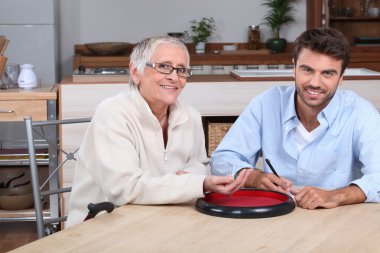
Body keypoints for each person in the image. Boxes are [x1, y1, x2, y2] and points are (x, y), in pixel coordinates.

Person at [67, 36, 249, 227]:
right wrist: (194, 184)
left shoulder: (191, 115)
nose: (174, 77)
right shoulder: (112, 112)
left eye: (181, 69)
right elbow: (123, 189)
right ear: (135, 71)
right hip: (104, 225)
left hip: (165, 220)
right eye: (163, 66)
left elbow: (200, 167)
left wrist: (174, 182)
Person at [211, 28, 380, 210]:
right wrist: (255, 178)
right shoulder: (266, 103)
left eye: (327, 73)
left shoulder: (361, 113)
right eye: (307, 70)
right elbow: (222, 159)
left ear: (341, 77)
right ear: (294, 68)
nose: (315, 82)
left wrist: (337, 195)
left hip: (338, 220)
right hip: (275, 217)